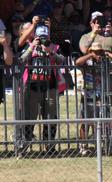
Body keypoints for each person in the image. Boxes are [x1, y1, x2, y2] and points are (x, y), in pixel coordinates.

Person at [17, 23, 65, 157]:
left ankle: (49, 146)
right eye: (40, 37)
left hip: (50, 87)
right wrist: (32, 47)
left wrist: (51, 52)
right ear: (35, 35)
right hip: (32, 87)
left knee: (50, 117)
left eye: (45, 36)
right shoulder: (30, 45)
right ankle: (24, 146)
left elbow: (62, 61)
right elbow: (21, 60)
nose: (43, 39)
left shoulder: (54, 46)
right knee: (29, 117)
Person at [74, 41, 112, 156]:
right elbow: (77, 62)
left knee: (104, 122)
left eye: (99, 52)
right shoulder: (87, 62)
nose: (98, 54)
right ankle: (83, 147)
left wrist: (108, 54)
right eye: (95, 52)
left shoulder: (105, 62)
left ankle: (104, 145)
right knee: (86, 122)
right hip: (88, 96)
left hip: (102, 96)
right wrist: (90, 55)